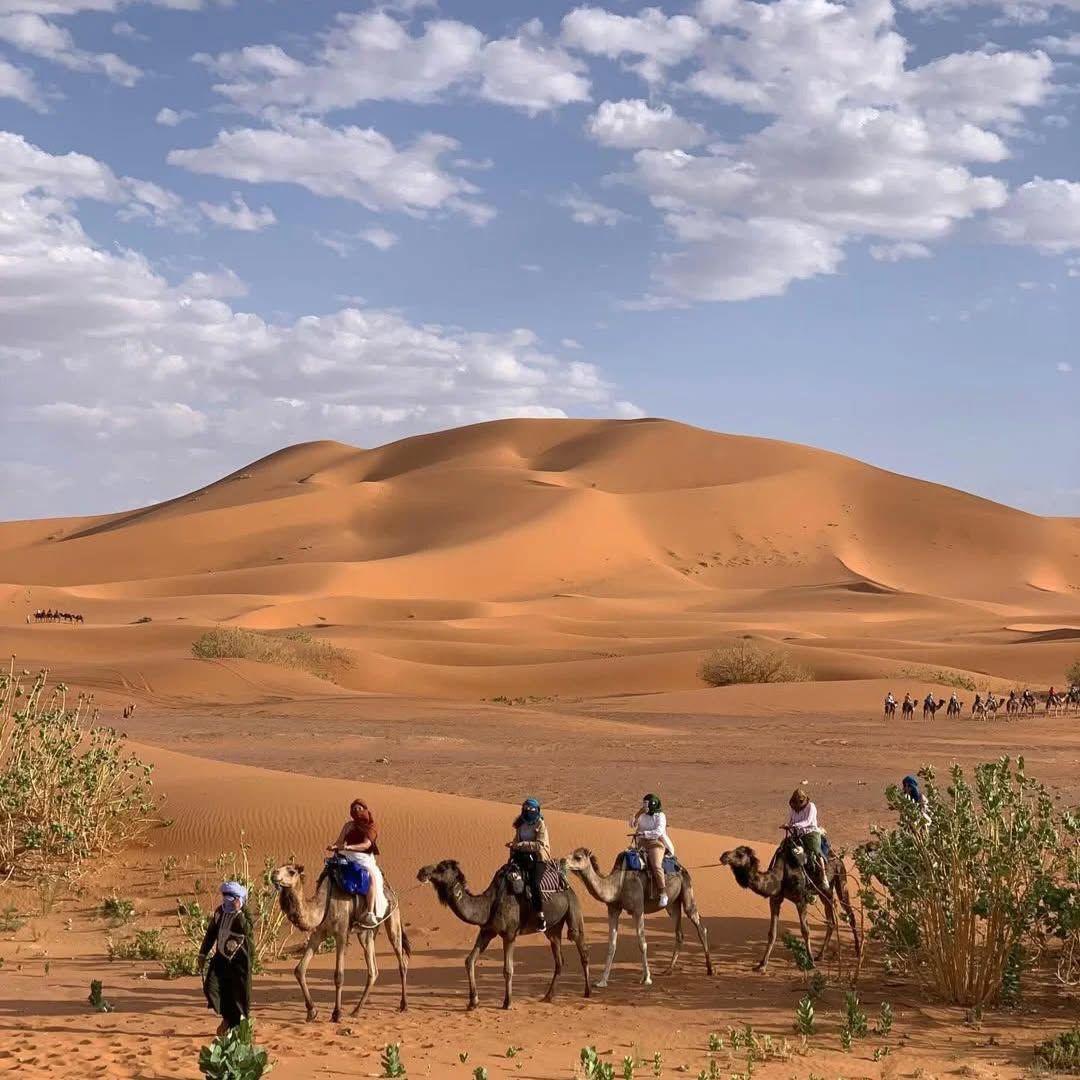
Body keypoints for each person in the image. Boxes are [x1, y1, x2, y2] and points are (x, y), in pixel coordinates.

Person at [199, 882, 252, 1035]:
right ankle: (227, 1017)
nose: (227, 901)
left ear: (238, 898)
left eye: (231, 898)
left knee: (239, 996)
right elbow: (211, 933)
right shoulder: (220, 912)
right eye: (225, 897)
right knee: (211, 987)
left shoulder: (244, 913)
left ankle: (239, 1028)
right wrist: (203, 953)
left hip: (240, 962)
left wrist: (239, 912)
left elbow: (248, 930)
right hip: (221, 958)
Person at [328, 798, 386, 927]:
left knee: (372, 877)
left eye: (359, 809)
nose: (357, 811)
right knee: (328, 871)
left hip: (363, 857)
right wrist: (334, 846)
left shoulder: (372, 826)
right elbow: (339, 841)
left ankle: (370, 912)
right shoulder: (348, 825)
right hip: (346, 855)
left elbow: (366, 845)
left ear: (365, 810)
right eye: (354, 809)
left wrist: (348, 847)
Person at [508, 797, 550, 931]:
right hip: (522, 856)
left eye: (531, 809)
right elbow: (516, 840)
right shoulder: (521, 824)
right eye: (526, 809)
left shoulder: (540, 824)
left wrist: (521, 845)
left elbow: (540, 845)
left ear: (537, 810)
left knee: (534, 884)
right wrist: (514, 845)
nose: (528, 811)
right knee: (506, 876)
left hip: (538, 858)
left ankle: (540, 917)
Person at [631, 793, 675, 907]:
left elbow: (659, 831)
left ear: (652, 804)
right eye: (643, 803)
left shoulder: (660, 816)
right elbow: (632, 825)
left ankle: (663, 893)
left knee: (656, 865)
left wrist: (644, 833)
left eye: (646, 804)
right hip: (641, 843)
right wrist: (637, 814)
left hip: (656, 843)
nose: (644, 806)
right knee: (627, 860)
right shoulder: (642, 815)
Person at [785, 788, 825, 874]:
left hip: (811, 833)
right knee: (783, 848)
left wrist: (793, 825)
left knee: (815, 850)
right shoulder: (793, 809)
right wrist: (787, 826)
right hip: (797, 835)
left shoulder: (811, 806)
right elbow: (791, 821)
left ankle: (823, 875)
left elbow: (807, 821)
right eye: (796, 801)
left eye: (800, 801)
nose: (798, 803)